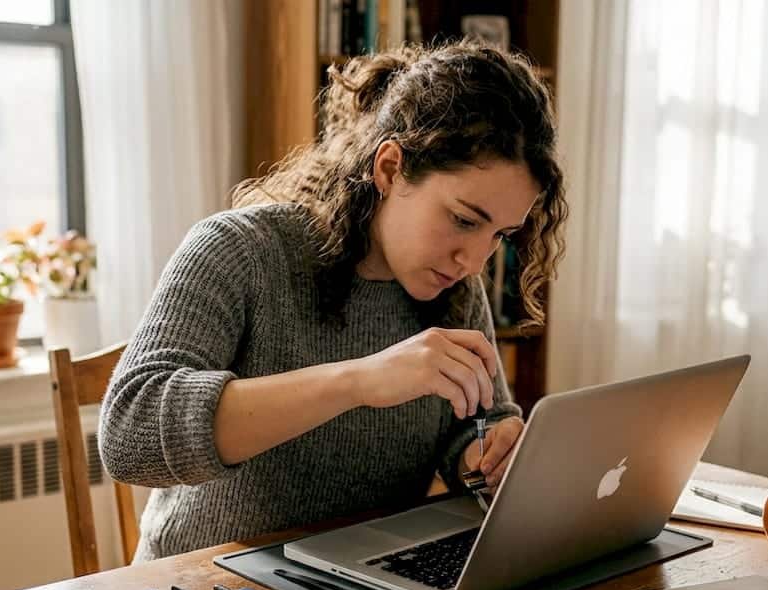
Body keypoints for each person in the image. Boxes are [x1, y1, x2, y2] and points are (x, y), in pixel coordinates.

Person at [99, 39, 568, 561]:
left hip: (361, 586)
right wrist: (360, 380)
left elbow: (472, 426)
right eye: (463, 219)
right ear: (390, 168)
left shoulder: (454, 284)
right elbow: (128, 435)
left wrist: (487, 455)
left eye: (499, 234)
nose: (475, 261)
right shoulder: (240, 249)